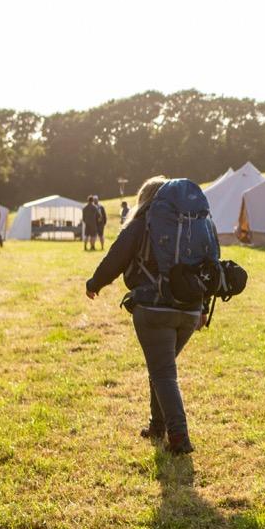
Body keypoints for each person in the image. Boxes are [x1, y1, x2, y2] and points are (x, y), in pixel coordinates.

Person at [85, 176, 205, 454]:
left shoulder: (141, 224)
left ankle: (178, 437)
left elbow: (115, 258)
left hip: (153, 309)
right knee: (161, 367)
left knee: (163, 372)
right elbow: (206, 267)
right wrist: (204, 307)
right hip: (189, 309)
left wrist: (95, 284)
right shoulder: (191, 225)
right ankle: (157, 426)